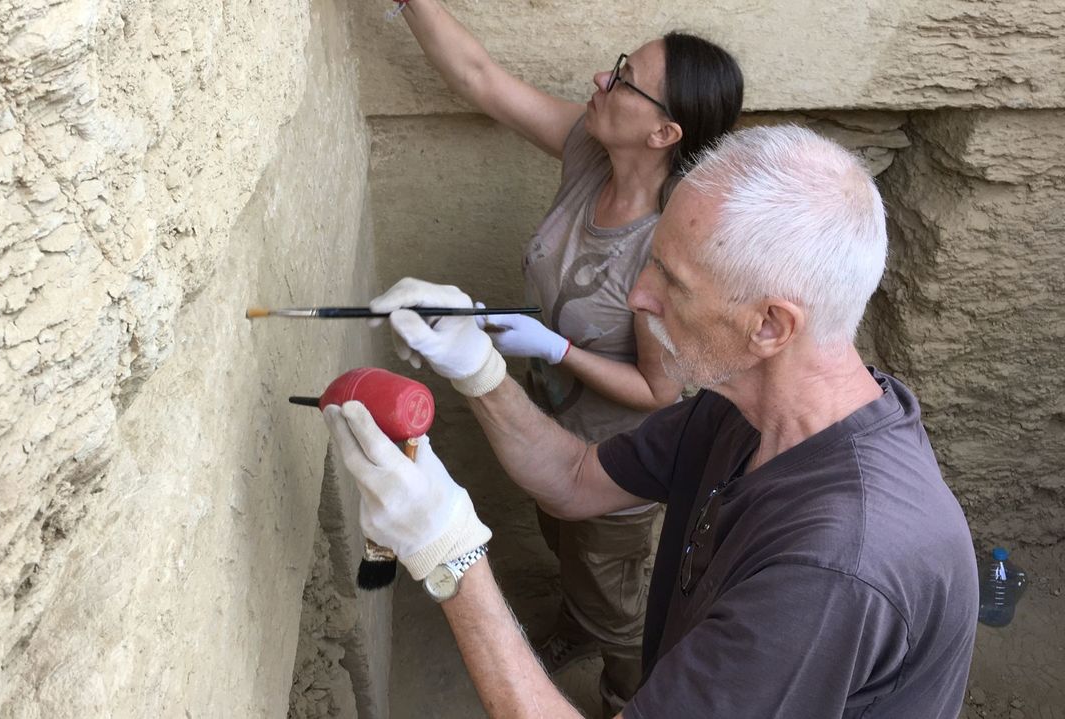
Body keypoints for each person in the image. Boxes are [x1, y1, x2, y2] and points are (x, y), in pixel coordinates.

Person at [324, 125, 978, 717]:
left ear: (771, 325)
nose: (640, 295)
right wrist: (479, 369)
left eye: (671, 279)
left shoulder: (835, 566)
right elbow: (576, 478)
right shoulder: (742, 406)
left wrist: (449, 556)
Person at [390, 1, 743, 704]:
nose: (600, 79)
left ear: (663, 131)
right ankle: (581, 625)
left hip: (611, 464)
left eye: (624, 78)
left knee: (619, 599)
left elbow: (660, 390)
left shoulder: (664, 249)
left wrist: (558, 347)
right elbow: (481, 77)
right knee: (562, 541)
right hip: (547, 428)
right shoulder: (591, 151)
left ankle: (625, 688)